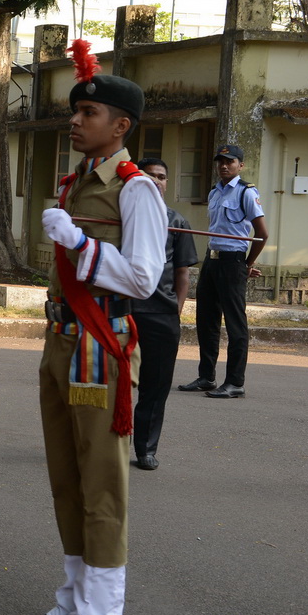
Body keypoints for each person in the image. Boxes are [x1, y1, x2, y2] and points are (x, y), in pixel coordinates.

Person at [5, 55, 166, 615]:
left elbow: (144, 278)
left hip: (101, 343)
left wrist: (81, 244)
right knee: (67, 479)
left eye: (88, 111)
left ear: (120, 125)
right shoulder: (77, 183)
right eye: (75, 110)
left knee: (102, 484)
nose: (75, 120)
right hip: (61, 339)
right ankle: (70, 604)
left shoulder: (136, 189)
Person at [178, 144, 268, 399]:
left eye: (230, 161)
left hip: (232, 261)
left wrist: (247, 264)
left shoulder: (246, 192)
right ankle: (206, 377)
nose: (224, 166)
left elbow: (262, 234)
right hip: (211, 260)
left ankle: (235, 382)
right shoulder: (215, 192)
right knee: (206, 320)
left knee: (235, 323)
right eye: (220, 161)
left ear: (241, 165)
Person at [130, 158, 198, 470]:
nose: (156, 181)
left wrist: (175, 312)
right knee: (111, 382)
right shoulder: (121, 216)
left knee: (155, 387)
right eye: (150, 176)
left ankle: (146, 449)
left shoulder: (177, 222)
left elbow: (183, 274)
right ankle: (103, 444)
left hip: (161, 314)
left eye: (161, 177)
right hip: (122, 310)